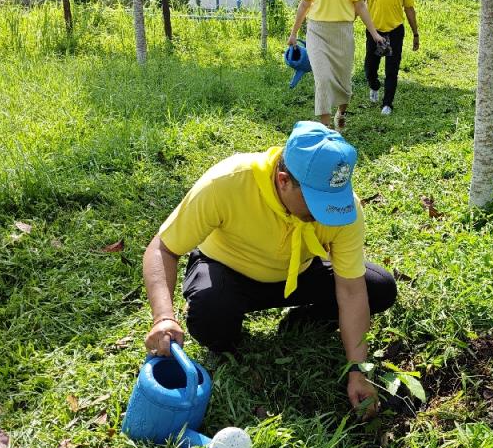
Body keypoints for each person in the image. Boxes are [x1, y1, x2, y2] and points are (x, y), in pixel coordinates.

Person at [142, 121, 397, 419]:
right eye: (315, 202)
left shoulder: (343, 210)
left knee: (379, 288)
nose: (323, 214)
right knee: (212, 321)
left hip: (296, 272)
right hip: (228, 269)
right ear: (283, 180)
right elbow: (163, 248)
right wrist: (163, 317)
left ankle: (302, 320)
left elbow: (352, 290)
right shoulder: (229, 181)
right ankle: (230, 329)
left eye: (332, 201)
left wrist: (358, 371)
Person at [288, 0, 388, 131]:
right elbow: (305, 2)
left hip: (343, 30)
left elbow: (359, 4)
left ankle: (341, 112)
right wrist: (294, 33)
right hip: (317, 30)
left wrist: (375, 33)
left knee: (343, 81)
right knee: (322, 79)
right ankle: (325, 129)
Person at [361, 0, 420, 116]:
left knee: (391, 69)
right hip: (374, 31)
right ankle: (374, 85)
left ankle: (387, 104)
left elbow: (409, 8)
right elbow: (358, 3)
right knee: (370, 68)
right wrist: (348, 20)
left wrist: (415, 33)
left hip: (395, 31)